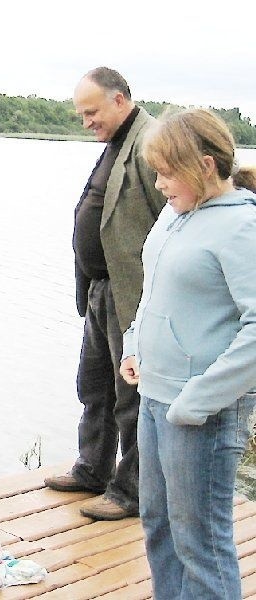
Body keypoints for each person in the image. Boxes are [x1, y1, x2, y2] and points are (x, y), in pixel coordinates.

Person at [121, 108, 256, 599]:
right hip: (155, 396)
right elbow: (154, 293)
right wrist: (134, 343)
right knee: (158, 523)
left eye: (165, 171)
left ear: (204, 165)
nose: (157, 184)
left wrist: (198, 400)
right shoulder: (175, 215)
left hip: (202, 413)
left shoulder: (241, 228)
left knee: (201, 541)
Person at [44, 67, 165, 520]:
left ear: (119, 99)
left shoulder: (153, 141)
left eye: (91, 112)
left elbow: (171, 217)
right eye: (81, 115)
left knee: (130, 396)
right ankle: (93, 468)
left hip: (131, 293)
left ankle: (130, 490)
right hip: (99, 289)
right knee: (94, 385)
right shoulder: (117, 140)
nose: (86, 122)